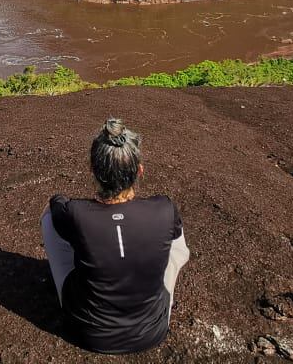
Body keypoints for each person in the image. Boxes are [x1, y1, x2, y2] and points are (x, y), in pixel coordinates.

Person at [41, 118, 189, 355]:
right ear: (139, 170)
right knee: (174, 241)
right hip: (152, 330)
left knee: (49, 219)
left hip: (87, 332)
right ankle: (158, 294)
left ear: (93, 169)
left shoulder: (76, 212)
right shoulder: (164, 208)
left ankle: (78, 278)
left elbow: (55, 203)